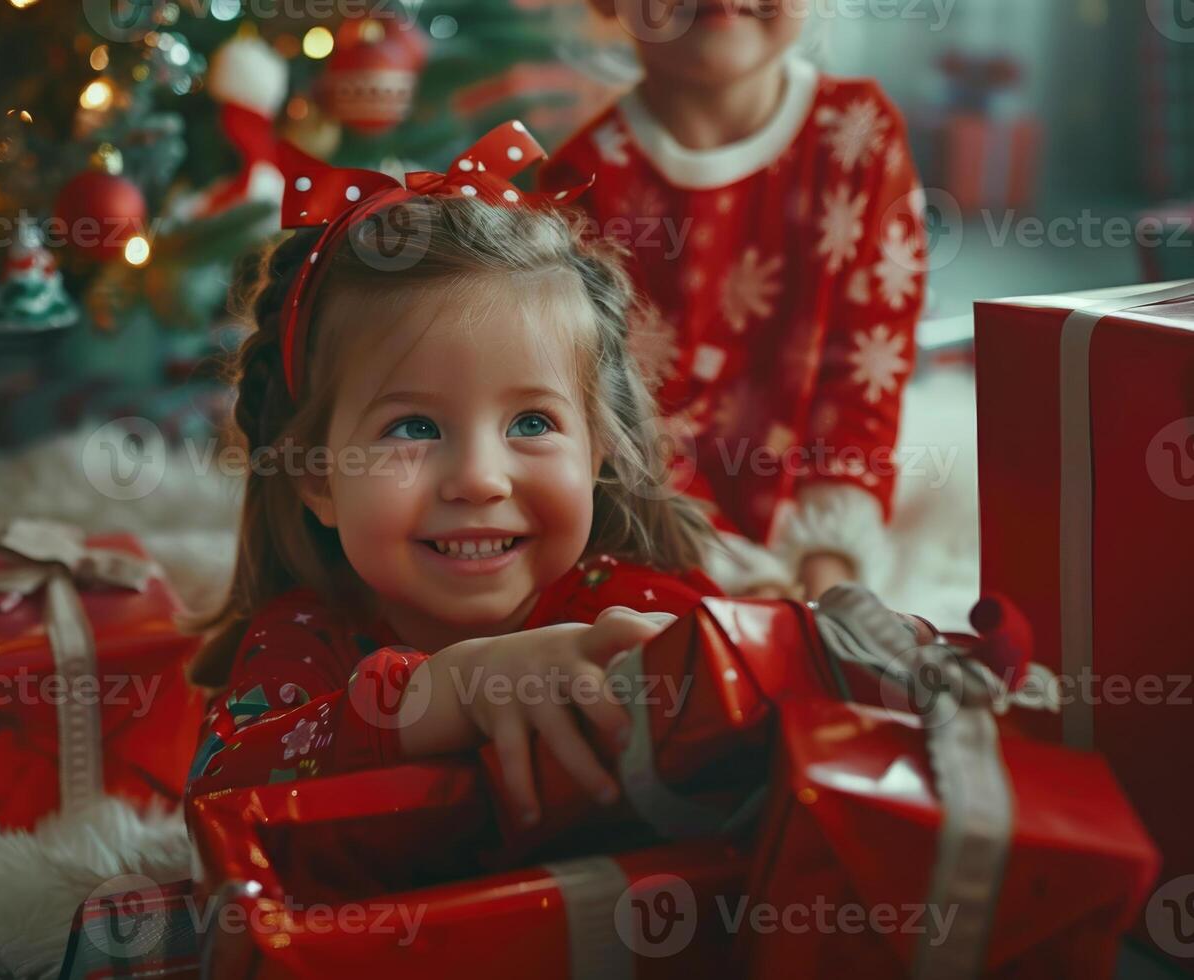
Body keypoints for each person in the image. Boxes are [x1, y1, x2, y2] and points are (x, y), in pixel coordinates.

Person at [184, 124, 728, 825]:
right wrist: (448, 692)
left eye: (532, 423)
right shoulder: (306, 637)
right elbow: (217, 795)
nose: (479, 480)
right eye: (412, 427)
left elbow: (753, 718)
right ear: (317, 477)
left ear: (597, 451)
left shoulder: (629, 614)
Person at [539, 0, 928, 600]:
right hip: (663, 544)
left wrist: (831, 565)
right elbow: (611, 422)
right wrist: (741, 580)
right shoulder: (580, 182)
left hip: (826, 529)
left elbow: (865, 372)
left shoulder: (860, 133)